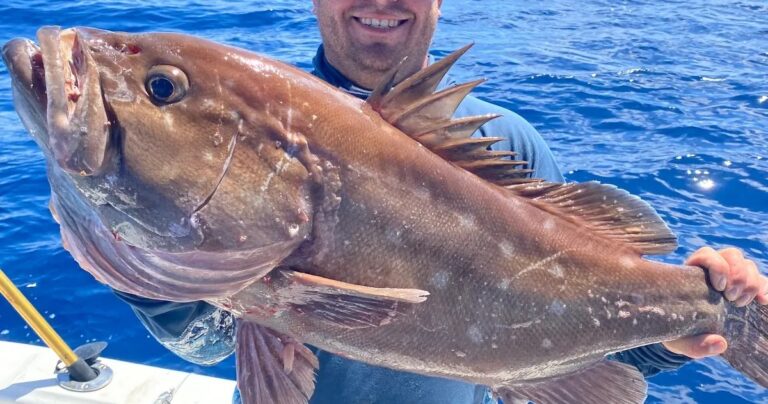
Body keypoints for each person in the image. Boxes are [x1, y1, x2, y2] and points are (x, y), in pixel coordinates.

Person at [115, 1, 768, 403]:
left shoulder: (511, 145)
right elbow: (208, 342)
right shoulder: (250, 127)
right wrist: (141, 251)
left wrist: (677, 336)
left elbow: (580, 338)